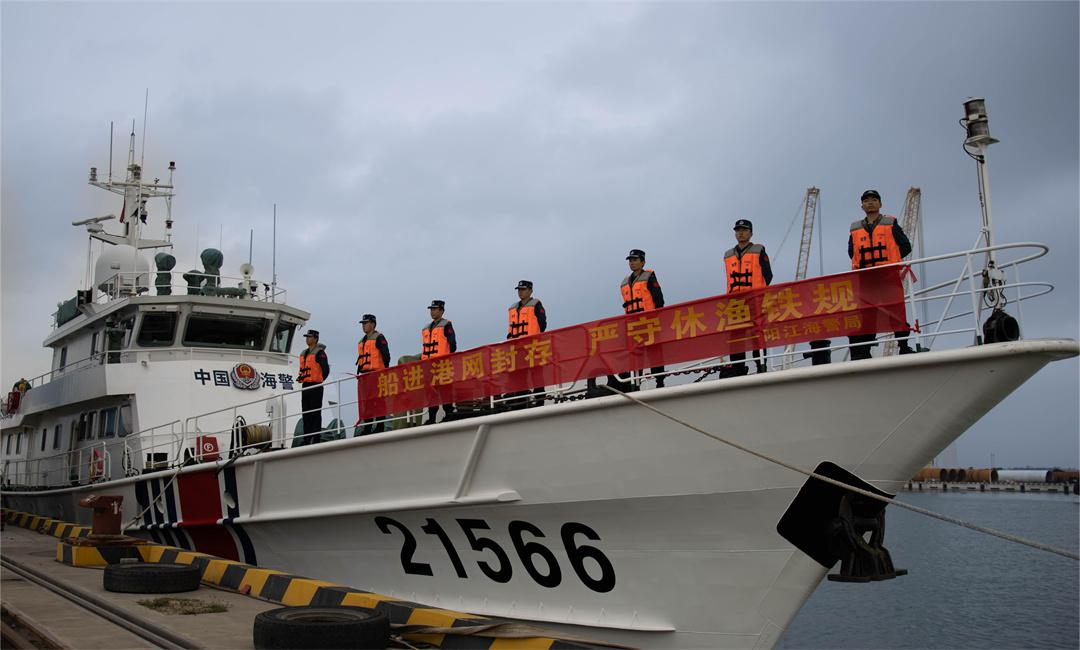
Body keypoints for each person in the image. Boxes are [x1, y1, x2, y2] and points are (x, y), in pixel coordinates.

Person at [847, 189, 914, 359]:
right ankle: (865, 351)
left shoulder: (890, 223)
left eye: (874, 199)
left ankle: (903, 346)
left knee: (896, 311)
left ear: (880, 204)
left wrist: (892, 260)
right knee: (868, 314)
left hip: (888, 275)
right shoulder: (855, 228)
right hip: (867, 277)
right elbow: (851, 251)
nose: (870, 203)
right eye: (866, 200)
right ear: (862, 206)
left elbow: (905, 246)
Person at [724, 219, 773, 376]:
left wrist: (758, 291)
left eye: (744, 230)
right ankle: (738, 369)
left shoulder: (759, 251)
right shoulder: (728, 255)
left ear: (751, 233)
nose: (741, 233)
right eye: (738, 230)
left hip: (754, 300)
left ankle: (761, 366)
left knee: (756, 334)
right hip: (735, 302)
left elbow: (768, 275)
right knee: (736, 337)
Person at [505, 280, 548, 408]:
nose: (520, 292)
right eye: (519, 290)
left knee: (536, 376)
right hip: (516, 349)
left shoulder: (536, 305)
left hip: (532, 347)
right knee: (519, 377)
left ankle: (540, 403)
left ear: (530, 291)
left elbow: (542, 324)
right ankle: (521, 403)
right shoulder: (512, 308)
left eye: (523, 289)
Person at [421, 300, 457, 424]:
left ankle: (449, 414)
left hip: (442, 364)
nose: (432, 311)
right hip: (429, 365)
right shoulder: (426, 328)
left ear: (441, 311)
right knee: (431, 392)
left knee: (445, 390)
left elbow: (452, 344)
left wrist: (445, 356)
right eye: (431, 309)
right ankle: (431, 418)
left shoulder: (446, 325)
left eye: (435, 309)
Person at [356, 314, 391, 434]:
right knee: (367, 403)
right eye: (363, 324)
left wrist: (384, 371)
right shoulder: (362, 341)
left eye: (365, 323)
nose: (363, 326)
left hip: (377, 374)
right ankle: (367, 428)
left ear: (373, 324)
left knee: (379, 401)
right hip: (365, 376)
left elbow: (386, 355)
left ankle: (380, 427)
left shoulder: (379, 338)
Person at [296, 329, 329, 446]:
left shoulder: (320, 353)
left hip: (316, 386)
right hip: (306, 386)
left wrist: (318, 379)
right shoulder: (304, 353)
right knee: (306, 413)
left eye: (309, 337)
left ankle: (316, 438)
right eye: (307, 337)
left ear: (315, 339)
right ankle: (307, 438)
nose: (307, 339)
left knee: (315, 413)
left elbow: (326, 370)